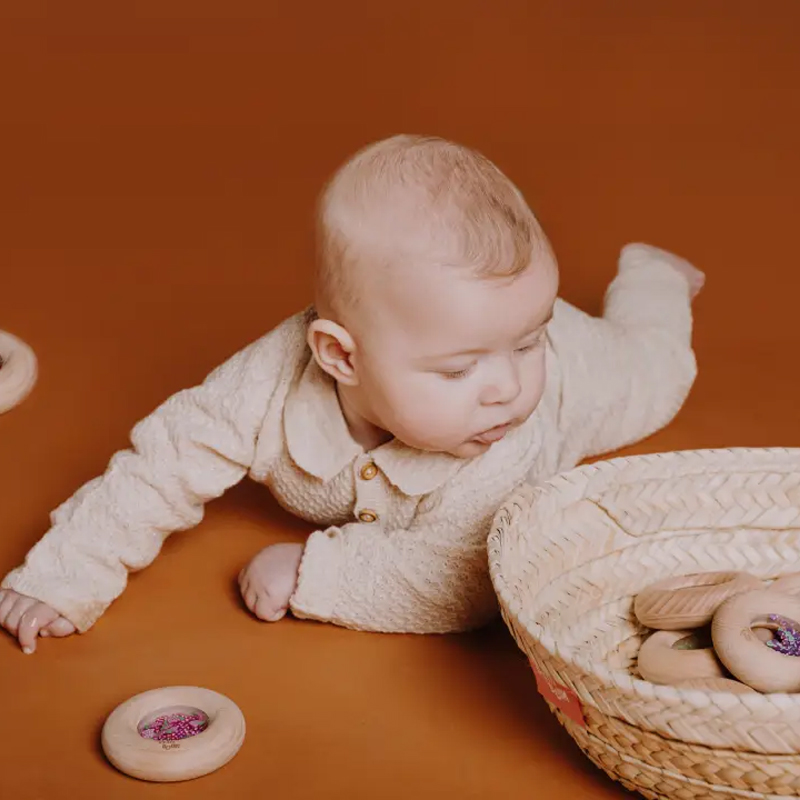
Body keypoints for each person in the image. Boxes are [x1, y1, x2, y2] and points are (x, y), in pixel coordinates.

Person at [0, 134, 704, 653]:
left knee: (660, 373)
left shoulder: (507, 432)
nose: (509, 389)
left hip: (586, 370)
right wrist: (64, 576)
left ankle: (654, 279)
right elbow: (161, 464)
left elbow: (459, 582)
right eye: (458, 371)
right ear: (340, 355)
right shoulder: (264, 386)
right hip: (461, 334)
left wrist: (314, 571)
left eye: (526, 346)